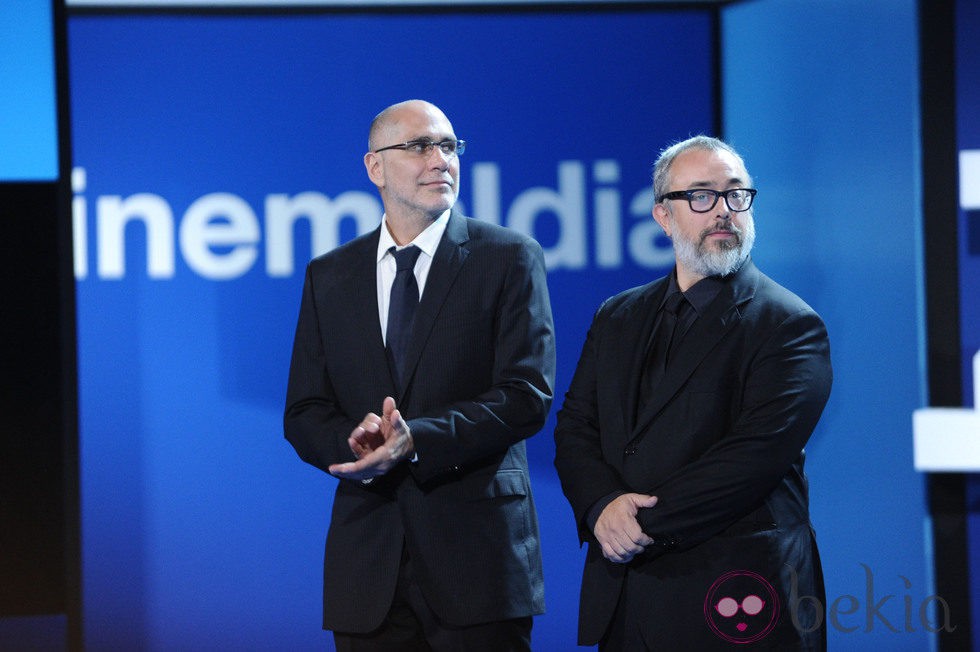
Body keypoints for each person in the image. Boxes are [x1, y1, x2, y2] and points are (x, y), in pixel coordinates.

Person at [284, 99, 556, 651]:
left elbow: (525, 394)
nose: (440, 160)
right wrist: (352, 442)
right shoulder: (330, 275)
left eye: (450, 146)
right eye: (419, 146)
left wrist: (416, 441)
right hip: (368, 568)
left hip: (478, 564)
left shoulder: (507, 257)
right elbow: (304, 409)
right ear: (374, 167)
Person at [554, 135, 832, 650]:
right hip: (628, 598)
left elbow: (751, 459)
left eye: (736, 195)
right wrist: (599, 506)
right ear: (664, 216)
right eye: (701, 196)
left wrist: (630, 525)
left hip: (736, 595)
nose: (723, 211)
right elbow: (576, 428)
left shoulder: (788, 324)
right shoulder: (618, 315)